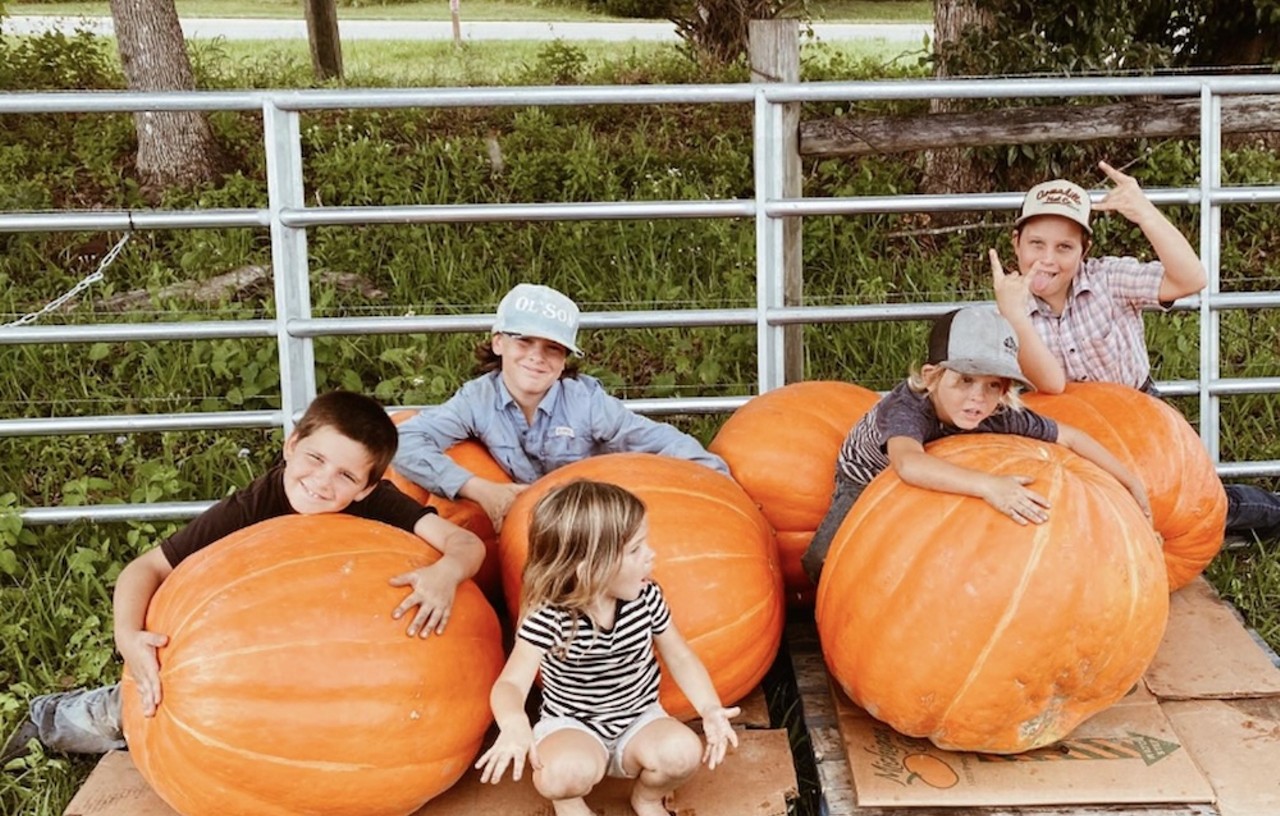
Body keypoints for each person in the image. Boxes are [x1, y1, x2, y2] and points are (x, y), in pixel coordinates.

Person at [1, 391, 485, 767]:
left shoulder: (380, 505)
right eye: (315, 459)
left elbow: (468, 545)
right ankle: (50, 721)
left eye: (344, 476)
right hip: (234, 656)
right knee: (146, 702)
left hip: (325, 662)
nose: (322, 482)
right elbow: (142, 569)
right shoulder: (254, 506)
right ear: (291, 445)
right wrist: (128, 637)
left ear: (366, 489)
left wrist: (446, 572)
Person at [997, 161, 1280, 540]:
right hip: (1066, 433)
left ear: (1085, 250)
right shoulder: (1007, 310)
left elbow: (1190, 278)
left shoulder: (1108, 279)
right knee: (1085, 518)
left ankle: (1268, 513)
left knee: (1190, 506)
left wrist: (1144, 212)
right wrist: (1014, 316)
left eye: (1064, 247)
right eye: (1036, 244)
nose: (1048, 259)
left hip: (1140, 417)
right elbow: (1050, 383)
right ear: (1016, 243)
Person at [474, 479, 740, 816]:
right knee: (561, 776)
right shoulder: (549, 617)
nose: (651, 555)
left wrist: (710, 708)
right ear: (589, 569)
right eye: (635, 550)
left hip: (640, 719)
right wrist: (515, 725)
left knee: (683, 754)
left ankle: (646, 799)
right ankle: (567, 802)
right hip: (574, 723)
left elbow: (679, 654)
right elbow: (511, 684)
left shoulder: (646, 597)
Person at [801, 306, 1151, 583]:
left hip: (942, 468)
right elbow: (908, 465)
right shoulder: (908, 408)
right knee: (825, 555)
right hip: (872, 476)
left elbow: (1071, 437)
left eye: (992, 385)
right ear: (931, 377)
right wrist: (989, 485)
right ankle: (830, 610)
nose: (977, 398)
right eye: (964, 380)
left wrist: (1129, 481)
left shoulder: (996, 412)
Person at [393, 283, 730, 532]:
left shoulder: (586, 403)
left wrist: (724, 487)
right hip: (521, 530)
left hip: (593, 529)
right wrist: (479, 489)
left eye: (553, 348)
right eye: (524, 340)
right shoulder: (477, 400)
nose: (537, 357)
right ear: (499, 342)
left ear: (565, 357)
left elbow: (661, 441)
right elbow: (405, 440)